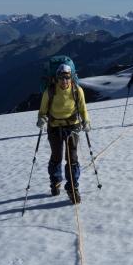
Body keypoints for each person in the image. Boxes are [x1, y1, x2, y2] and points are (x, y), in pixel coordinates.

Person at [36, 63, 90, 204]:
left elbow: (83, 109)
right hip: (55, 127)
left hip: (73, 126)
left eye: (67, 77)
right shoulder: (50, 91)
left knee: (72, 157)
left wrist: (86, 121)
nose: (64, 81)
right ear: (56, 78)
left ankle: (72, 187)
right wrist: (42, 119)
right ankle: (55, 181)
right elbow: (42, 111)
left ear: (71, 77)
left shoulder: (77, 90)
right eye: (61, 78)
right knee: (57, 156)